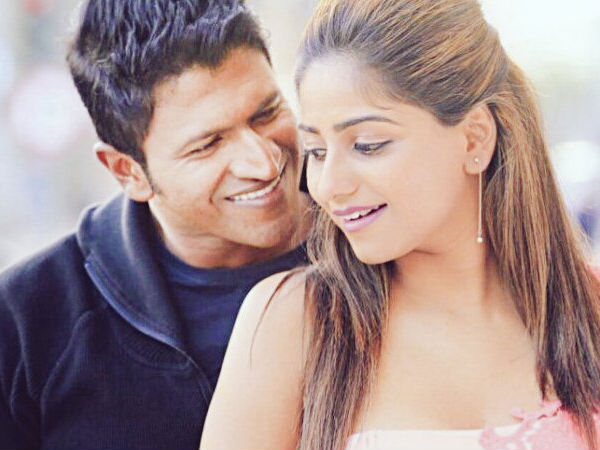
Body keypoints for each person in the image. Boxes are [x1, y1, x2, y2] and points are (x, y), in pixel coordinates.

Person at [200, 0, 600, 449]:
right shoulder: (295, 322)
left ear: (474, 138)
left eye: (368, 145)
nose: (329, 186)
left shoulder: (588, 306)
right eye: (317, 151)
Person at [0, 0, 311, 449]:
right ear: (127, 171)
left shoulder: (385, 245)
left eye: (266, 113)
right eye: (208, 145)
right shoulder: (26, 323)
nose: (263, 163)